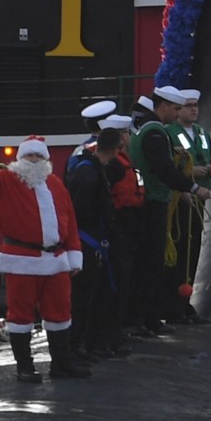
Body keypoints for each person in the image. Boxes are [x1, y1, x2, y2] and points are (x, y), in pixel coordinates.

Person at [0, 127, 88, 382]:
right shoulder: (7, 180)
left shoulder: (56, 185)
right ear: (20, 159)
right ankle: (24, 367)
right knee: (20, 316)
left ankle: (62, 363)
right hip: (22, 261)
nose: (35, 161)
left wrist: (74, 255)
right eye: (30, 157)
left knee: (60, 314)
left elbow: (70, 221)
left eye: (39, 157)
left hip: (56, 260)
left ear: (46, 160)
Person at [128, 86, 209, 333]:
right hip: (153, 202)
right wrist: (193, 187)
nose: (177, 113)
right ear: (163, 106)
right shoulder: (155, 133)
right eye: (176, 108)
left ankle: (149, 318)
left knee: (153, 264)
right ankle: (142, 319)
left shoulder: (150, 130)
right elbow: (163, 169)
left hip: (154, 201)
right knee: (150, 264)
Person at [64, 117, 133, 361]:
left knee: (92, 294)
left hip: (91, 239)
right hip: (86, 241)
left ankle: (84, 343)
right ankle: (76, 345)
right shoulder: (90, 174)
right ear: (117, 148)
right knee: (83, 296)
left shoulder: (92, 168)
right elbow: (79, 211)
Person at [171, 88, 211, 322]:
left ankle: (185, 302)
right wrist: (192, 172)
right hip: (179, 201)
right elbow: (168, 167)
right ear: (178, 109)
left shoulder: (201, 133)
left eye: (196, 106)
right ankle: (173, 302)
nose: (193, 110)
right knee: (179, 252)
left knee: (194, 251)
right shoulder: (170, 132)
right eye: (188, 106)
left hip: (199, 200)